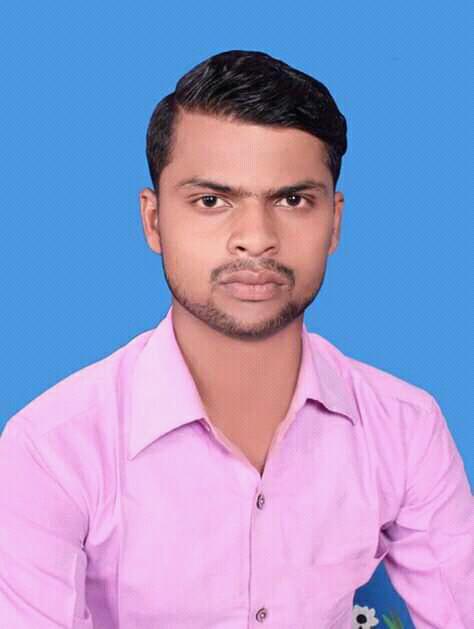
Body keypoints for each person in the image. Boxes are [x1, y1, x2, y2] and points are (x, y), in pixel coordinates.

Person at [0, 49, 471, 628]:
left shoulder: (406, 427)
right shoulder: (51, 449)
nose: (255, 238)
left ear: (334, 222)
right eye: (212, 201)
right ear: (153, 221)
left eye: (293, 200)